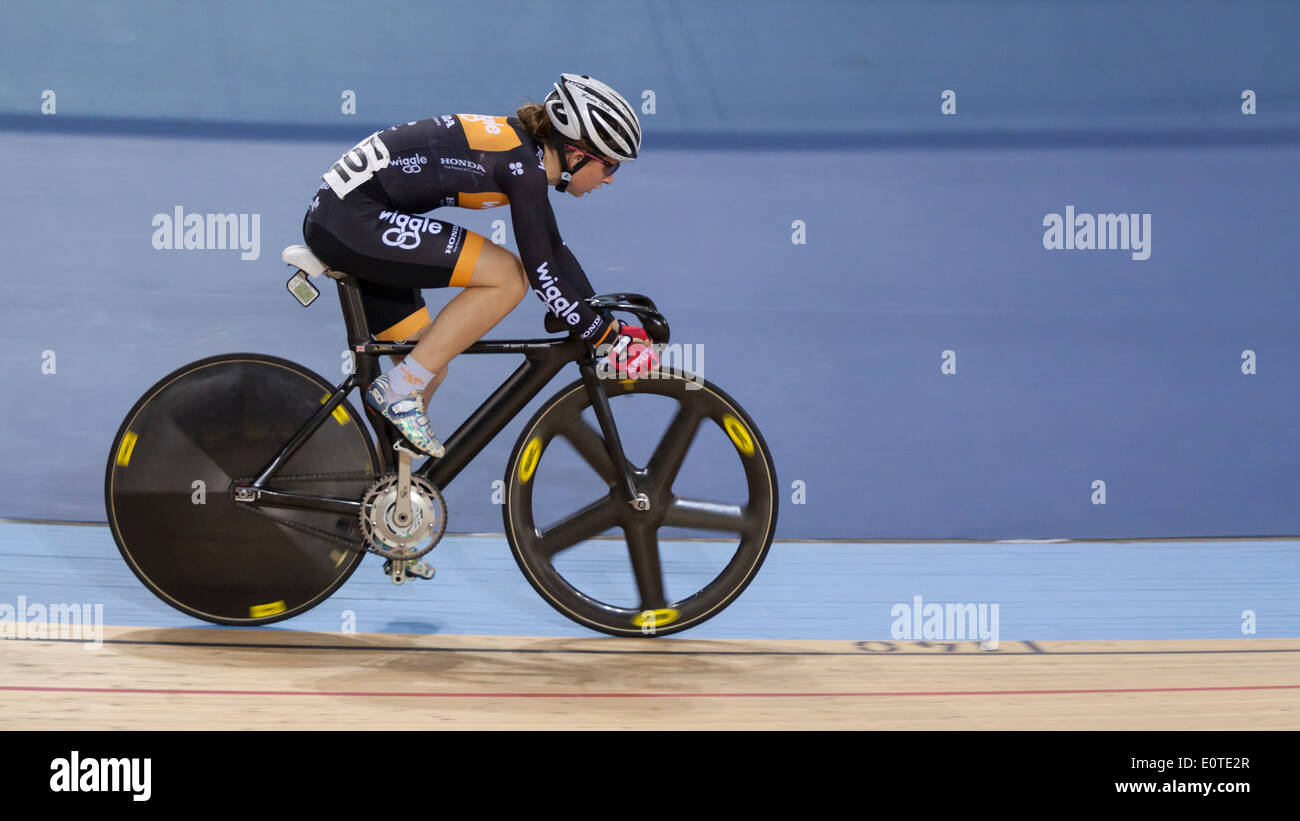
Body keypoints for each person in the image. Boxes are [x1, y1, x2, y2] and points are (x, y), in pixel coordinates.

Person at [301, 73, 658, 457]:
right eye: (610, 167)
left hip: (350, 216)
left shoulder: (526, 158)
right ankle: (398, 390)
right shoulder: (523, 168)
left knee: (429, 364)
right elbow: (541, 274)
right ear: (577, 153)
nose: (608, 181)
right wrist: (604, 335)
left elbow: (554, 249)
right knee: (508, 277)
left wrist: (596, 311)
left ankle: (378, 498)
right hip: (354, 220)